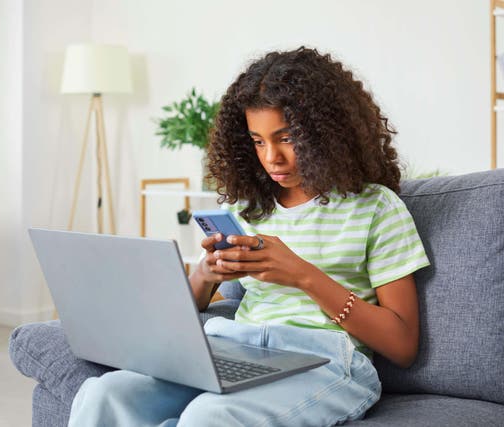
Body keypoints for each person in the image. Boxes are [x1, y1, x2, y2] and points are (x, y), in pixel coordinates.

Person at [68, 46, 430, 426]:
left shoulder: (376, 207)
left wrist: (302, 275)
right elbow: (201, 309)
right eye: (258, 141)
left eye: (286, 137)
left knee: (209, 417)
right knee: (103, 394)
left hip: (327, 361)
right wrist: (206, 274)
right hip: (237, 350)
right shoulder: (253, 210)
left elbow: (402, 344)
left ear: (327, 133)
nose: (271, 156)